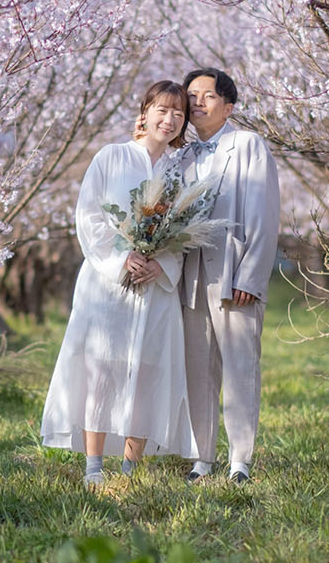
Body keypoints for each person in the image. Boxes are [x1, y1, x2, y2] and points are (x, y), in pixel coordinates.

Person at [40, 81, 201, 485]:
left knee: (147, 372)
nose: (169, 119)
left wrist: (160, 265)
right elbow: (89, 216)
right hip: (108, 283)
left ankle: (130, 469)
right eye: (162, 110)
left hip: (154, 288)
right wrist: (120, 259)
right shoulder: (111, 157)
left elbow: (186, 231)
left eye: (179, 114)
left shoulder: (179, 173)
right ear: (144, 113)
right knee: (102, 368)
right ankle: (94, 468)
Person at [176, 68, 280, 484]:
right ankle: (203, 458)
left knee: (240, 366)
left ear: (229, 105)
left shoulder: (248, 145)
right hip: (191, 278)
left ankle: (240, 460)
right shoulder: (181, 154)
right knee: (197, 369)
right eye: (192, 95)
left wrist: (250, 277)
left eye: (207, 96)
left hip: (233, 275)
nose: (197, 102)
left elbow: (263, 215)